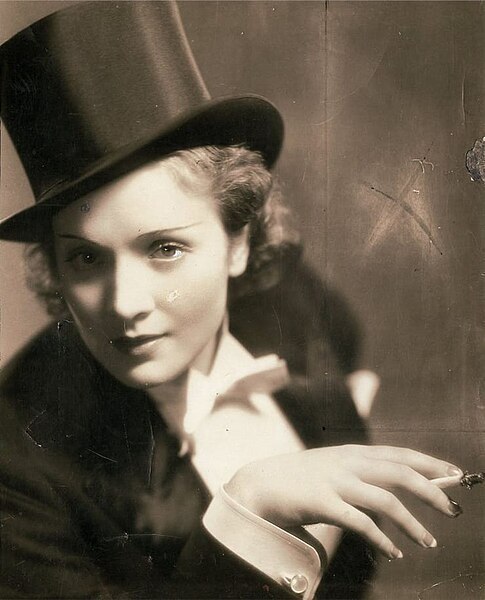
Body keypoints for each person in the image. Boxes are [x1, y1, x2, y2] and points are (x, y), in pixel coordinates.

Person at [0, 3, 464, 599]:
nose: (124, 304)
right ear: (55, 266)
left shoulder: (298, 305)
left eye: (165, 248)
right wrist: (249, 508)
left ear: (239, 244)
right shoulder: (14, 455)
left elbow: (338, 346)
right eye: (86, 259)